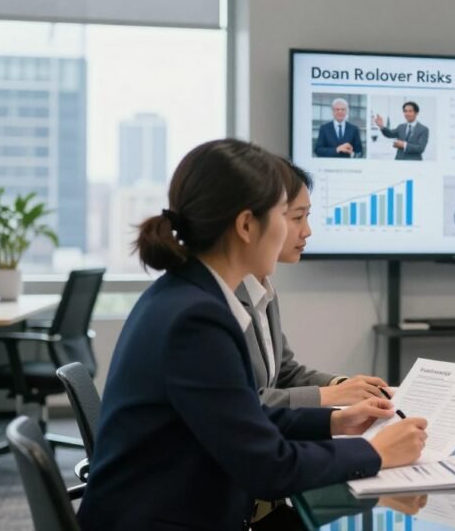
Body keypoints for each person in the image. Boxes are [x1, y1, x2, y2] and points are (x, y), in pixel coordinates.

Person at [78, 139, 427, 531]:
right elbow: (269, 468)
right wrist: (375, 452)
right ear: (246, 225)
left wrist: (336, 422)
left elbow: (245, 417)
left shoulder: (187, 296)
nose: (298, 229)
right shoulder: (196, 320)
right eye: (285, 214)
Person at [237, 161, 389, 408]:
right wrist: (329, 398)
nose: (307, 231)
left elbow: (283, 373)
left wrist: (343, 386)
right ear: (247, 223)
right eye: (297, 217)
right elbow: (241, 403)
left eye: (307, 217)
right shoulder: (215, 301)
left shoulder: (262, 288)